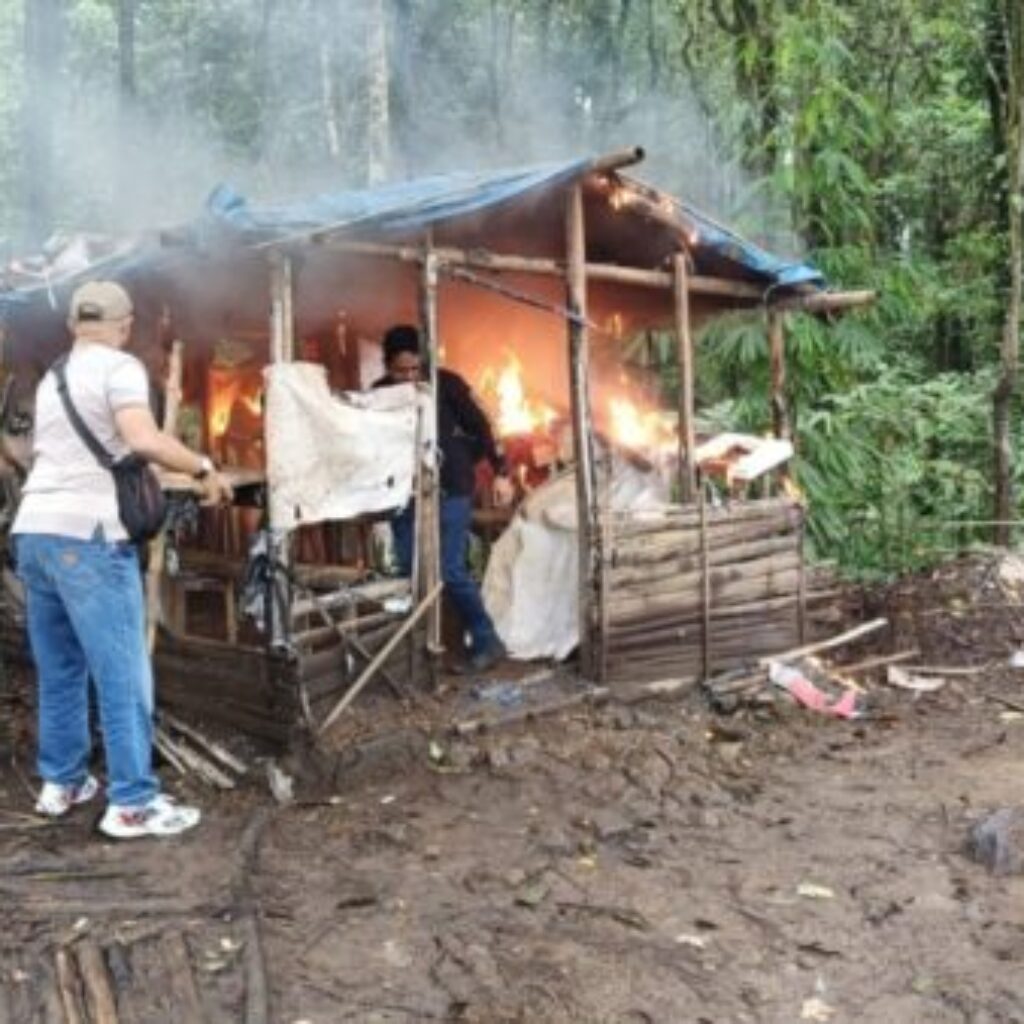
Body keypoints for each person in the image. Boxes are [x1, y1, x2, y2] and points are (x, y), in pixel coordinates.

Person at [13, 280, 233, 839]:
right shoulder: (120, 367)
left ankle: (61, 783)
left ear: (72, 325)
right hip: (89, 537)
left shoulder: (53, 378)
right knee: (122, 672)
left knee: (62, 669)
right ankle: (132, 803)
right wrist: (205, 470)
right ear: (125, 325)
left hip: (35, 532)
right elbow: (143, 439)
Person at [376, 325, 513, 672]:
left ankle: (486, 640)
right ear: (387, 366)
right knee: (410, 568)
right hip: (402, 493)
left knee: (450, 569)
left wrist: (500, 471)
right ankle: (422, 646)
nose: (408, 377)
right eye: (400, 370)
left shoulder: (448, 384)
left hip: (451, 487)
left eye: (414, 369)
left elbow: (484, 428)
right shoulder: (377, 395)